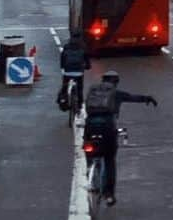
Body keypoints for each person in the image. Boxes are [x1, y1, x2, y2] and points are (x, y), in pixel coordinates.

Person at [82, 70, 157, 206]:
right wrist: (147, 98)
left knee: (90, 151)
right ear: (116, 82)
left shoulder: (92, 90)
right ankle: (109, 194)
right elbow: (133, 97)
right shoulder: (116, 93)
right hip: (107, 128)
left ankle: (90, 170)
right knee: (109, 159)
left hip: (90, 126)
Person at [57, 32, 91, 109]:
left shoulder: (66, 46)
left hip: (67, 71)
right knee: (79, 88)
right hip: (79, 72)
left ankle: (63, 98)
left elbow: (62, 58)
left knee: (65, 86)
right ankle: (80, 104)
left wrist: (63, 67)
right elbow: (86, 59)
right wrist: (88, 66)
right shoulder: (83, 46)